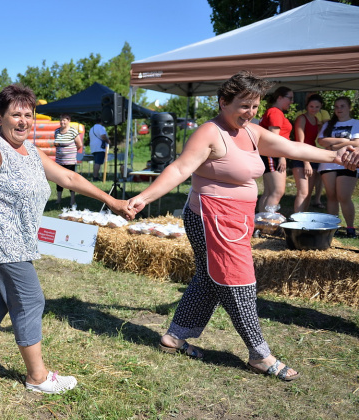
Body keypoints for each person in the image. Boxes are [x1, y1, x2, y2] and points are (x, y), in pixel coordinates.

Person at [126, 71, 348, 381]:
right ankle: (259, 354)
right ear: (223, 102)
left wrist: (336, 155)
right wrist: (144, 197)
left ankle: (174, 338)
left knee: (208, 277)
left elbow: (293, 149)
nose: (251, 113)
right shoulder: (209, 132)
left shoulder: (253, 132)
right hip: (211, 217)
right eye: (244, 106)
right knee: (237, 281)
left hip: (236, 219)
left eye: (255, 106)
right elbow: (179, 168)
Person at [0, 84, 133, 394]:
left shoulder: (32, 152)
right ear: (0, 117)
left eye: (28, 114)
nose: (22, 121)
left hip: (19, 241)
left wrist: (113, 202)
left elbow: (69, 177)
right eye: (15, 115)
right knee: (30, 300)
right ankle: (37, 376)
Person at [317, 97, 359, 238]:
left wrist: (334, 145)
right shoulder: (328, 124)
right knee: (331, 197)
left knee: (344, 196)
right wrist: (345, 141)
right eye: (336, 107)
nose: (339, 109)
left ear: (349, 108)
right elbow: (321, 141)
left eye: (342, 106)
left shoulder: (356, 123)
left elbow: (357, 143)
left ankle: (350, 227)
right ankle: (332, 227)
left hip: (348, 163)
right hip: (328, 163)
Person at [256, 87, 293, 213]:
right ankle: (267, 224)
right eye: (290, 98)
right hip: (273, 154)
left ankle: (261, 225)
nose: (291, 102)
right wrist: (282, 156)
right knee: (277, 191)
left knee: (269, 192)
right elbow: (274, 138)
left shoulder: (273, 112)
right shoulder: (275, 112)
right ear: (280, 98)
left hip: (269, 154)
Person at [292, 94, 325, 213]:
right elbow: (300, 142)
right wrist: (306, 163)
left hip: (312, 155)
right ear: (307, 106)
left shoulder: (316, 120)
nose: (314, 109)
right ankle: (296, 221)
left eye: (317, 107)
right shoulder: (302, 118)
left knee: (308, 193)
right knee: (303, 192)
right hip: (302, 156)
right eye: (311, 106)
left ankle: (303, 219)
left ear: (321, 107)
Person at [53, 113, 82, 206]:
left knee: (71, 180)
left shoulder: (73, 131)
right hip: (59, 160)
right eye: (61, 120)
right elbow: (56, 142)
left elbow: (79, 144)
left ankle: (72, 200)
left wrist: (71, 152)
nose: (62, 122)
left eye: (64, 120)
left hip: (70, 161)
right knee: (59, 180)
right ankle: (58, 199)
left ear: (69, 121)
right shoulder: (57, 131)